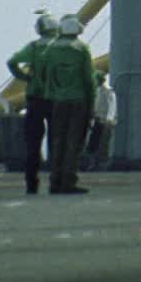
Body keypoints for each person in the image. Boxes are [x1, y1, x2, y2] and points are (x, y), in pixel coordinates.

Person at [42, 15, 96, 194]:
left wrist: (51, 96)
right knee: (74, 142)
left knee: (57, 140)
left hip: (57, 101)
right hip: (78, 101)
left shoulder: (50, 50)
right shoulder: (81, 49)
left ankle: (54, 181)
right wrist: (92, 104)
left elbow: (46, 76)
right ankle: (68, 181)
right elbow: (89, 80)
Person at [6, 12, 59, 194]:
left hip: (35, 99)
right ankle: (56, 181)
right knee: (56, 141)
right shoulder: (60, 48)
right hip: (56, 99)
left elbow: (12, 61)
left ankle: (31, 184)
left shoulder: (34, 48)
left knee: (33, 143)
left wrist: (24, 77)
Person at [84, 71, 116, 171]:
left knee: (101, 144)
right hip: (98, 120)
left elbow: (111, 106)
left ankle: (99, 164)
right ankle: (94, 164)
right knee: (94, 144)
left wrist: (108, 119)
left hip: (104, 122)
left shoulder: (107, 91)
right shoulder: (97, 91)